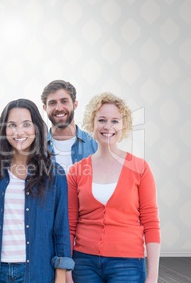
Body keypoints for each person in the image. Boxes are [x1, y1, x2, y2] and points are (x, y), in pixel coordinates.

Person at [0, 98, 74, 282]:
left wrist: (60, 277)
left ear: (36, 128)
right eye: (12, 125)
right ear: (4, 130)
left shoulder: (55, 175)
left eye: (26, 125)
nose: (18, 132)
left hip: (38, 273)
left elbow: (60, 230)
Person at [67, 92, 161, 282]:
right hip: (84, 263)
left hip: (128, 264)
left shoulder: (140, 168)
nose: (108, 127)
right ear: (91, 123)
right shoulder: (76, 171)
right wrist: (67, 272)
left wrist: (153, 275)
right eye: (102, 120)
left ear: (123, 125)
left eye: (115, 121)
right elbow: (69, 225)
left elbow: (151, 223)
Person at [41, 80, 98, 172]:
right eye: (52, 103)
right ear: (45, 108)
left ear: (75, 105)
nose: (59, 108)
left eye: (64, 101)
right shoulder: (38, 148)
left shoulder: (95, 145)